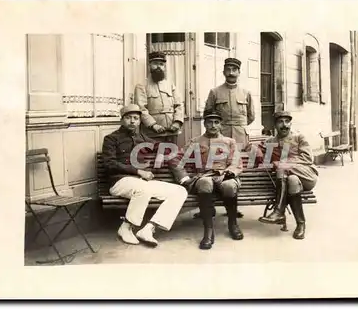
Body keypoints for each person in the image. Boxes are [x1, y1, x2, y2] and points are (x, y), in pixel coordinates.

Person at [101, 104, 188, 247]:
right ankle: (126, 227)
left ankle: (149, 228)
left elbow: (162, 146)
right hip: (119, 182)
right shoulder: (111, 139)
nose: (132, 121)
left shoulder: (142, 138)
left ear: (140, 121)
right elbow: (109, 164)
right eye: (128, 118)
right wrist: (137, 171)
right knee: (143, 188)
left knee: (179, 191)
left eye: (136, 118)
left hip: (141, 183)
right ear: (122, 120)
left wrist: (167, 153)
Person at [171, 110, 244, 250]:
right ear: (204, 123)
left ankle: (233, 224)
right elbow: (176, 159)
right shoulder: (195, 142)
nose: (213, 125)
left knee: (229, 186)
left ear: (221, 125)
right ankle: (208, 231)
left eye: (216, 122)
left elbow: (235, 163)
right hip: (204, 176)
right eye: (209, 122)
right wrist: (184, 178)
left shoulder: (230, 142)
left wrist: (228, 173)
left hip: (225, 176)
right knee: (205, 183)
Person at [254, 111, 319, 239]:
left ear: (290, 123)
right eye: (280, 122)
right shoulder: (271, 141)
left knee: (283, 168)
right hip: (291, 180)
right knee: (292, 180)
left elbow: (307, 159)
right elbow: (256, 151)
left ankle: (279, 212)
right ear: (275, 125)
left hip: (307, 176)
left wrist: (284, 163)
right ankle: (301, 224)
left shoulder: (299, 138)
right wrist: (257, 151)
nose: (284, 125)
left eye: (287, 122)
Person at [203, 57, 255, 151]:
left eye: (234, 70)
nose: (231, 73)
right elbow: (207, 114)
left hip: (241, 135)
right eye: (228, 70)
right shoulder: (215, 92)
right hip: (221, 133)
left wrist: (239, 126)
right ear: (223, 72)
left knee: (240, 159)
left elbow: (251, 116)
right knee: (221, 158)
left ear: (239, 72)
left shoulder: (246, 93)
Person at [134, 51, 185, 144]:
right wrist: (153, 125)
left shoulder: (170, 84)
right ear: (149, 65)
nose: (158, 67)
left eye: (161, 64)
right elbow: (141, 109)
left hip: (172, 130)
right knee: (155, 157)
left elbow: (179, 104)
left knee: (172, 156)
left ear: (164, 67)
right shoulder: (141, 85)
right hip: (152, 133)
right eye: (155, 64)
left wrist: (177, 122)